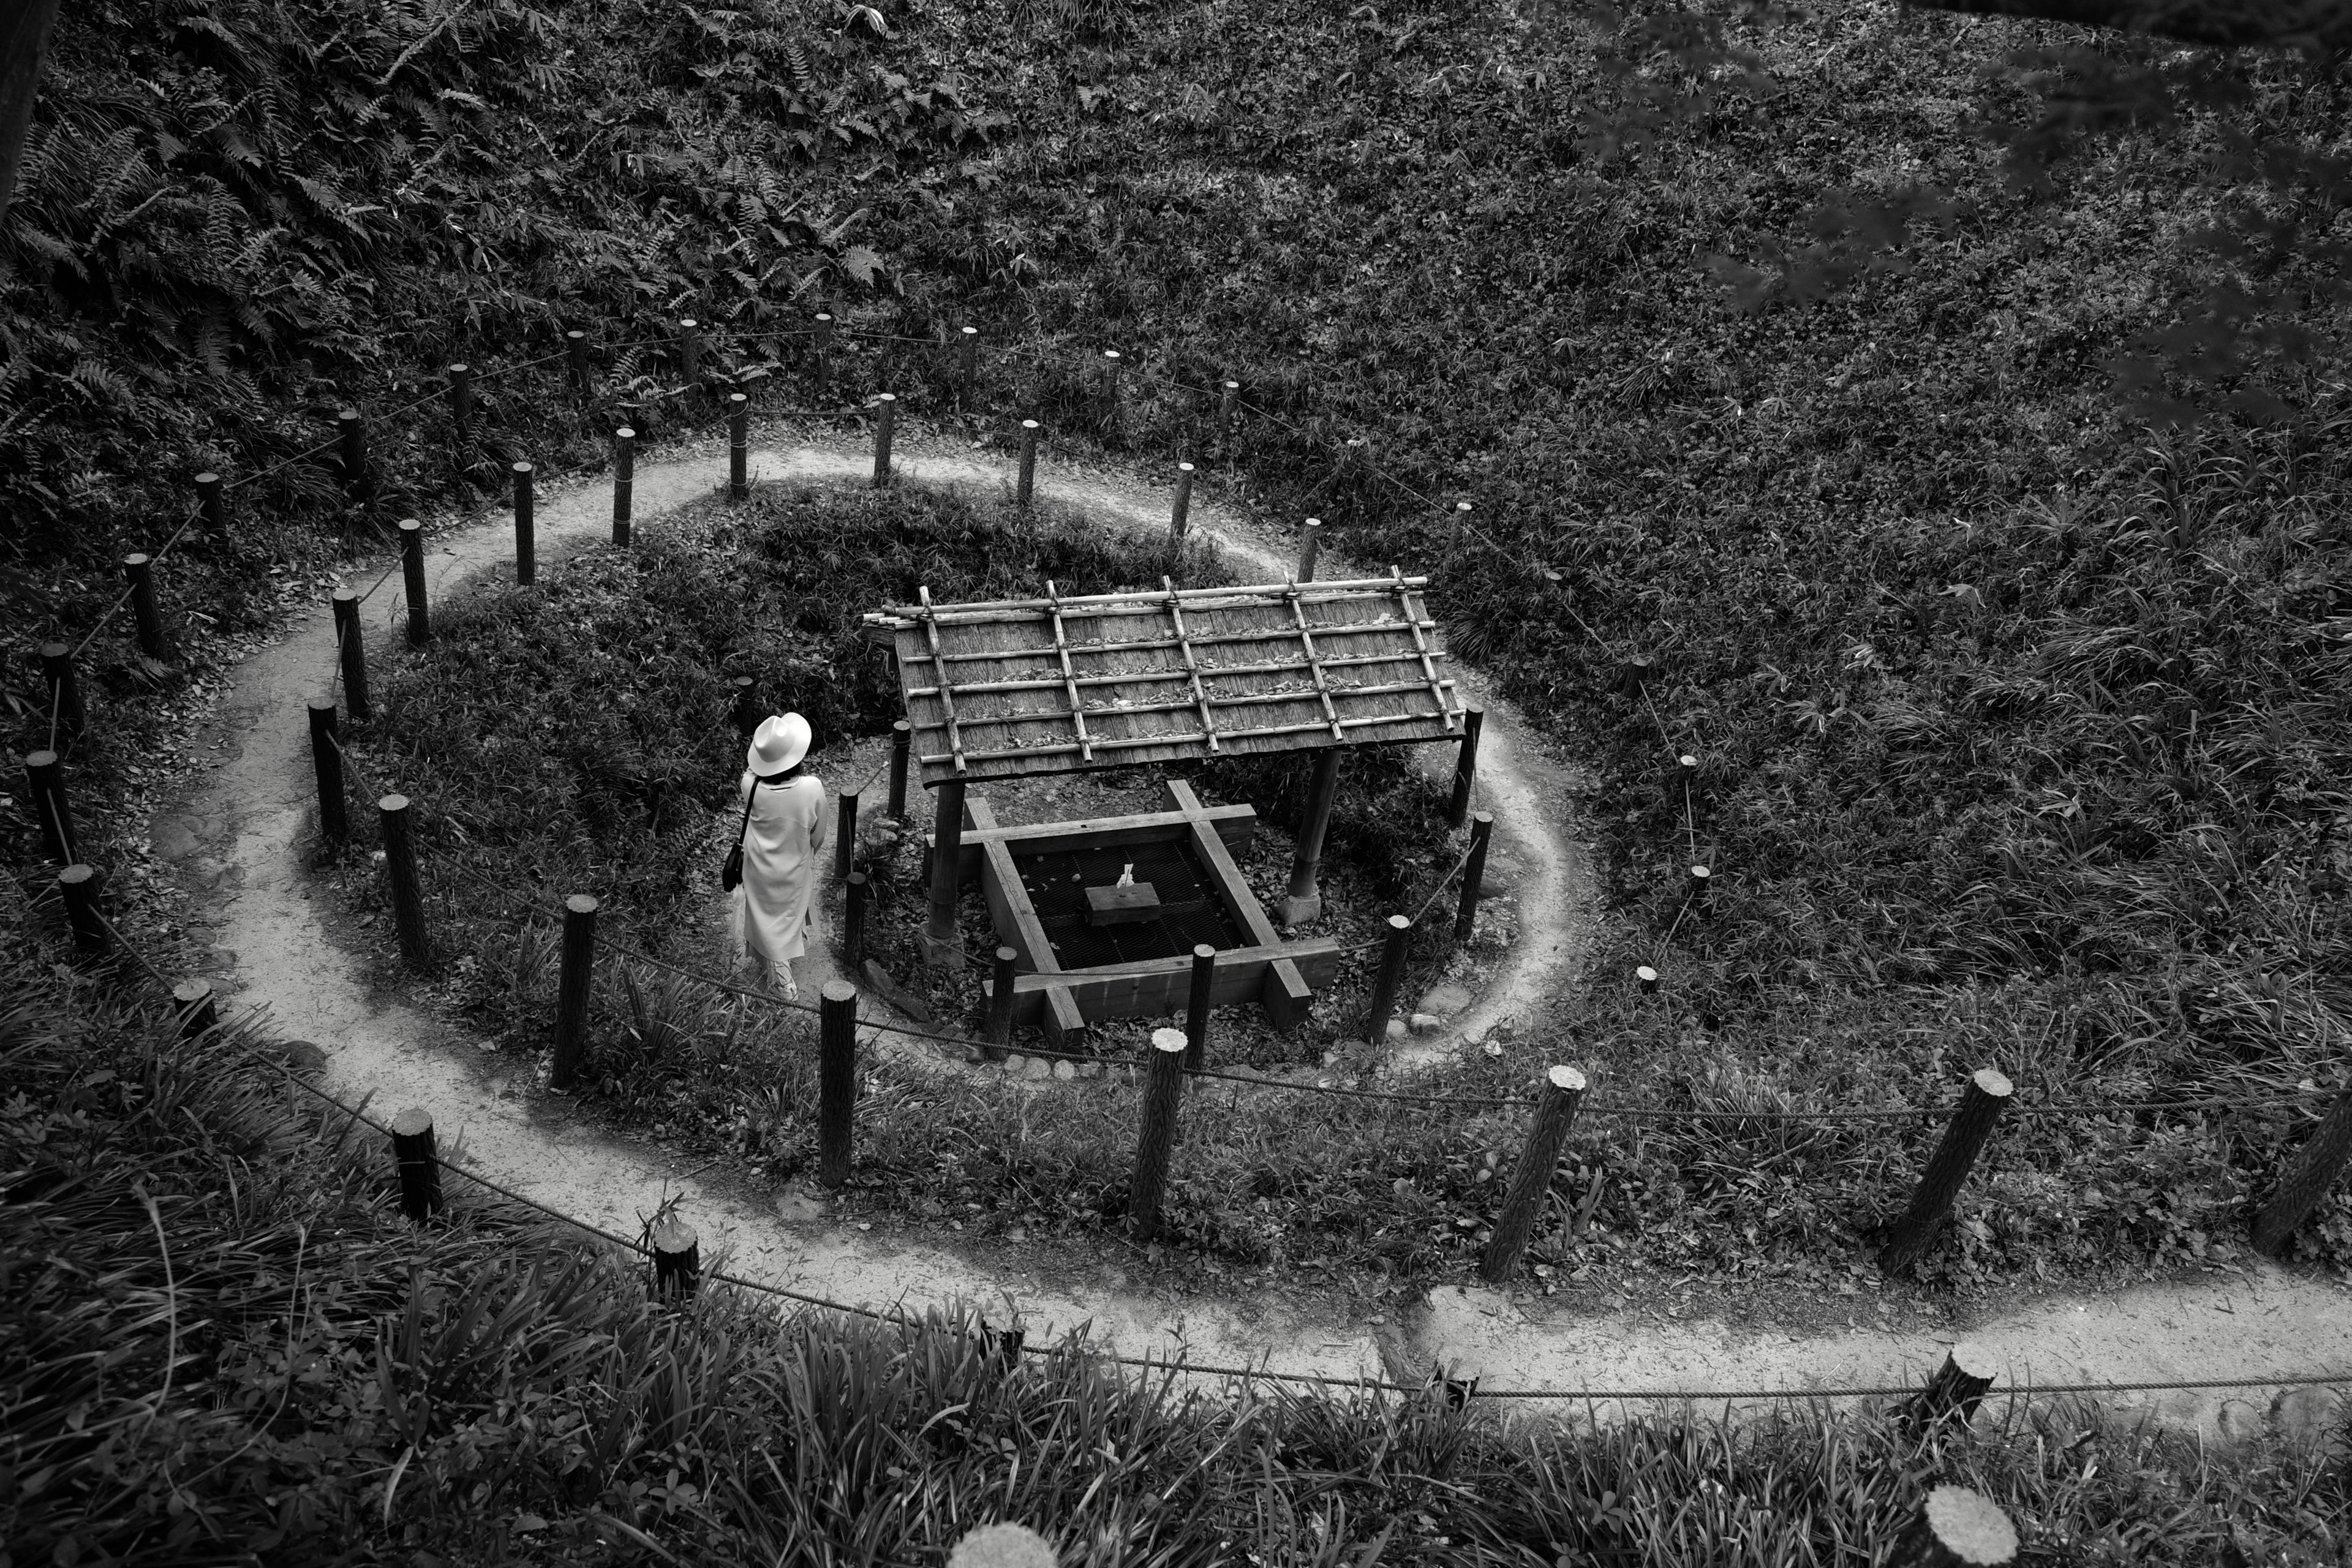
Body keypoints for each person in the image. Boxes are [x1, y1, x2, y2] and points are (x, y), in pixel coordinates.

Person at [729, 712, 826, 1000]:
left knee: (764, 914)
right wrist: (807, 851)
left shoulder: (751, 786)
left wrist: (766, 756)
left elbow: (749, 771)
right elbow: (819, 834)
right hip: (794, 864)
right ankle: (783, 983)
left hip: (758, 865)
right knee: (788, 911)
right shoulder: (811, 788)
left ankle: (773, 961)